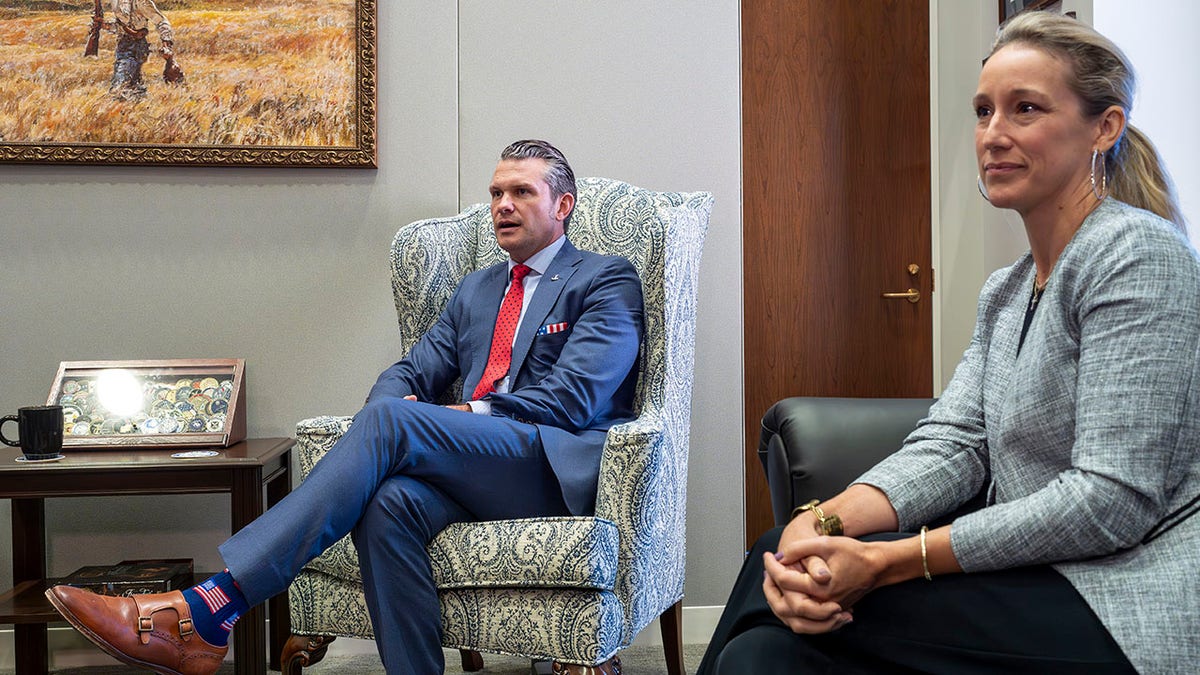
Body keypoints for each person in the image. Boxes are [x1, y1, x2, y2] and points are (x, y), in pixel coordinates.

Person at [700, 12, 1198, 675]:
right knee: (769, 635)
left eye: (1025, 109)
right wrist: (823, 522)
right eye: (983, 110)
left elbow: (1109, 502)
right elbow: (954, 443)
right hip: (1037, 573)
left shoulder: (1136, 252)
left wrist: (887, 559)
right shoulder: (1006, 289)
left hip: (1126, 594)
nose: (993, 135)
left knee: (795, 607)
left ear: (1102, 128)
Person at [45, 139, 645, 675]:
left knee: (391, 424)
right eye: (495, 192)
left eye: (521, 191)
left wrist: (457, 417)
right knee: (386, 503)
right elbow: (411, 372)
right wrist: (392, 417)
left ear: (562, 205)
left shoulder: (604, 279)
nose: (502, 205)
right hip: (471, 465)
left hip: (545, 464)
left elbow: (572, 399)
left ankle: (213, 606)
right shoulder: (478, 288)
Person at [104, 0, 177, 99]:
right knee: (132, 86)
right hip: (122, 46)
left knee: (120, 86)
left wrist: (166, 43)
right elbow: (120, 26)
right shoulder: (115, 1)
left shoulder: (141, 2)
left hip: (137, 47)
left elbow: (161, 21)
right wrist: (104, 25)